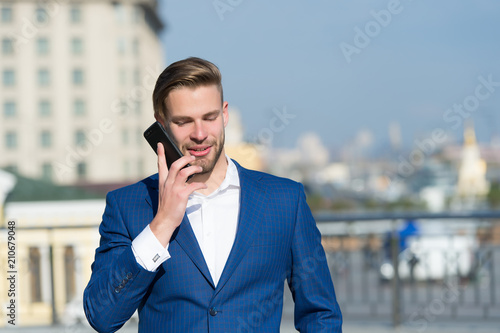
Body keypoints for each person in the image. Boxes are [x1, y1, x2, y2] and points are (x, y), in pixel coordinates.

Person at [83, 57, 342, 332]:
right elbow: (102, 315)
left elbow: (321, 315)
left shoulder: (285, 201)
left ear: (225, 114)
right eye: (184, 121)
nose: (200, 133)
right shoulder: (128, 205)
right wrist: (161, 225)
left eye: (209, 117)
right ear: (162, 124)